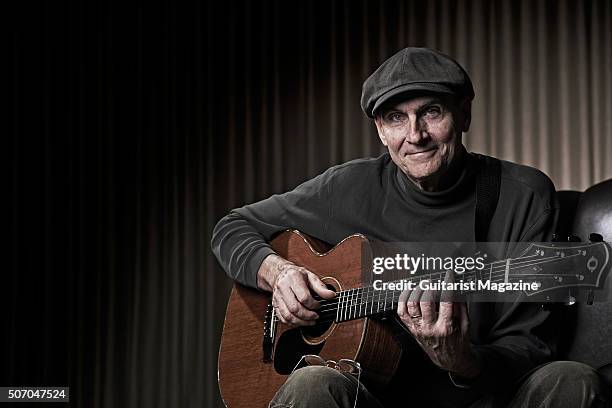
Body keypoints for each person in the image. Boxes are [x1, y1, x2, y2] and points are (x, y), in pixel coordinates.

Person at [211, 47, 608, 407]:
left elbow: (532, 346)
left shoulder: (522, 195)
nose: (415, 135)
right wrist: (278, 272)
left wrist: (463, 361)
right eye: (396, 118)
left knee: (569, 379)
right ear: (381, 131)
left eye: (432, 112)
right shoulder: (347, 188)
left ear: (464, 113)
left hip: (486, 400)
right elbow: (232, 227)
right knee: (312, 383)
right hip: (376, 399)